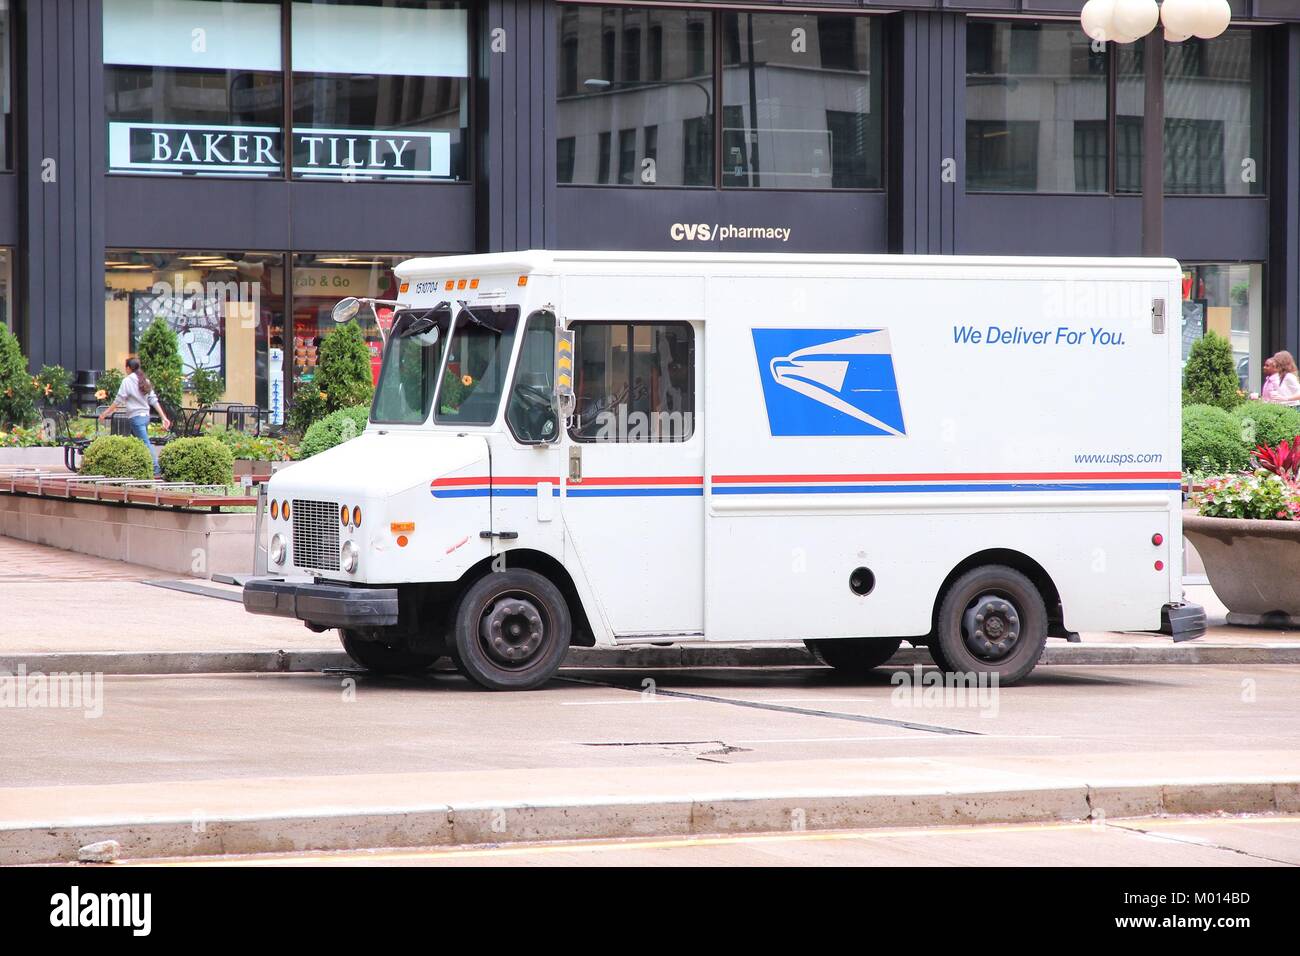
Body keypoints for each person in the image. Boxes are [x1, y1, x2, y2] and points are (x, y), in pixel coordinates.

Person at [98, 357, 172, 476]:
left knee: (144, 442)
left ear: (128, 368)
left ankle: (156, 468)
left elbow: (118, 401)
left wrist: (104, 414)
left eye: (125, 367)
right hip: (145, 417)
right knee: (137, 443)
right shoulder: (144, 380)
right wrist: (164, 417)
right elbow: (153, 400)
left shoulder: (127, 381)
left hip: (136, 418)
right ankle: (140, 466)